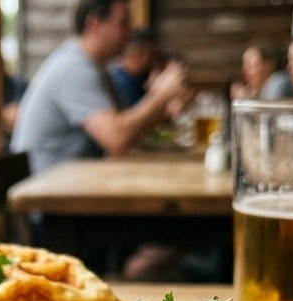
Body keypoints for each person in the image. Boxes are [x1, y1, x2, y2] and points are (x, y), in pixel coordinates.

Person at [11, 0, 189, 174]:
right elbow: (117, 139)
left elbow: (128, 133)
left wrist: (160, 106)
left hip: (69, 186)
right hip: (45, 194)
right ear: (94, 24)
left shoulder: (97, 68)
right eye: (123, 23)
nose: (130, 32)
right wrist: (161, 96)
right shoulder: (74, 69)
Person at [107, 27, 157, 108]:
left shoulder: (133, 78)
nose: (154, 60)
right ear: (140, 54)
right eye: (152, 54)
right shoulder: (122, 83)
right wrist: (156, 93)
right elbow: (140, 117)